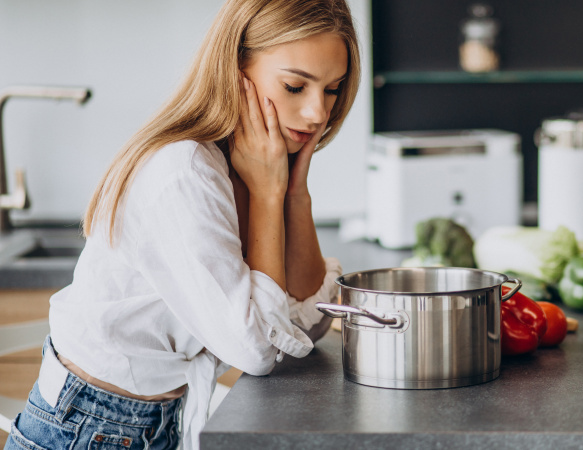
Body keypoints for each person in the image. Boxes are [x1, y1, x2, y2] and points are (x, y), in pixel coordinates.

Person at [5, 0, 360, 449]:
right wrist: (270, 194)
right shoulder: (186, 171)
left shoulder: (250, 165)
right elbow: (258, 351)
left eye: (332, 89)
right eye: (295, 86)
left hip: (149, 421)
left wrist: (293, 193)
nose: (317, 113)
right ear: (236, 70)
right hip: (86, 428)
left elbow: (305, 326)